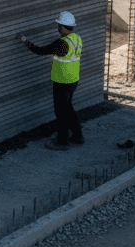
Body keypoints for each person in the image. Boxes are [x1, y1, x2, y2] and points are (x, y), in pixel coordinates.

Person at [16, 11, 84, 150]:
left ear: (63, 27)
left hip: (62, 82)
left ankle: (62, 141)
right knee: (68, 109)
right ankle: (78, 136)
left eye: (59, 26)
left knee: (61, 112)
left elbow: (39, 51)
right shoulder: (77, 38)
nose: (57, 28)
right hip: (73, 80)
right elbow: (67, 56)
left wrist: (24, 40)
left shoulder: (61, 43)